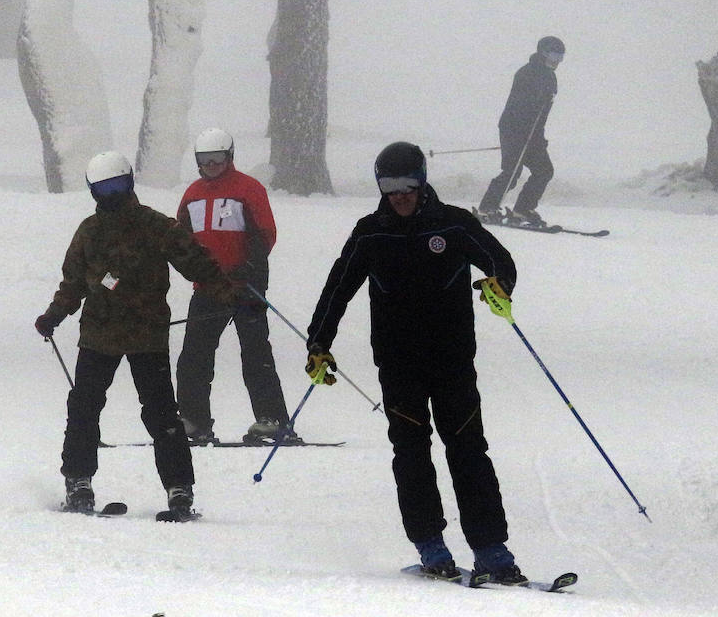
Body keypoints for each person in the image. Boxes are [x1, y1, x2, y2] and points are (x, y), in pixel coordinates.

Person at [305, 141, 527, 584]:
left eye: (407, 185)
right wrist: (319, 343)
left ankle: (491, 550)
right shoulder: (371, 232)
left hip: (452, 360)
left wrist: (500, 285)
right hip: (397, 363)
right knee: (411, 453)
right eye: (389, 187)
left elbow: (500, 260)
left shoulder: (453, 224)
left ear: (422, 181)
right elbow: (337, 290)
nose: (399, 195)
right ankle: (430, 545)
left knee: (467, 450)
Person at [34, 151, 234, 520]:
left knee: (160, 414)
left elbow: (197, 263)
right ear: (94, 192)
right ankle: (78, 481)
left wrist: (231, 294)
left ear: (129, 184)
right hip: (99, 337)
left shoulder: (156, 226)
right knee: (84, 408)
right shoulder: (89, 232)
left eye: (117, 187)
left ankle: (179, 490)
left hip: (147, 337)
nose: (111, 196)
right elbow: (73, 281)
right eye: (104, 189)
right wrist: (54, 315)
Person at [174, 127, 296, 446]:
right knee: (194, 356)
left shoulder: (248, 188)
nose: (211, 165)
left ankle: (272, 419)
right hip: (208, 287)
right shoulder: (192, 194)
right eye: (205, 160)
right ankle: (193, 420)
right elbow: (182, 241)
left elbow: (265, 232)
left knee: (255, 352)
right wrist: (195, 269)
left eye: (217, 159)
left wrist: (249, 267)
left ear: (229, 157)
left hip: (246, 285)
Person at [477, 35, 564, 226]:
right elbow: (520, 106)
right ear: (542, 52)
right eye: (553, 55)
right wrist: (522, 132)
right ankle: (486, 209)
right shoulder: (527, 73)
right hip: (513, 130)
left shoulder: (550, 77)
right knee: (512, 172)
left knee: (544, 170)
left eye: (560, 56)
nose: (556, 60)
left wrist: (538, 137)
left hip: (533, 134)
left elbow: (541, 114)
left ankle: (522, 210)